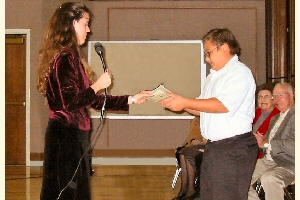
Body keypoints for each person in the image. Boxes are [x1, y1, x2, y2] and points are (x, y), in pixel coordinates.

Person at [37, 2, 150, 199]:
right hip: (65, 137)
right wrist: (97, 85)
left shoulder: (71, 56)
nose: (89, 30)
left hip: (74, 137)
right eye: (86, 23)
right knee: (65, 193)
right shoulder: (65, 57)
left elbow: (93, 101)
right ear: (71, 23)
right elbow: (70, 102)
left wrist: (131, 99)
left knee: (77, 192)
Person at [160, 28, 258, 200]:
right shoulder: (215, 76)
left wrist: (184, 101)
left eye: (209, 53)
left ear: (225, 47)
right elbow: (202, 108)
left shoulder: (239, 73)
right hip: (216, 148)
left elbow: (222, 105)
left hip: (233, 148)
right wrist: (178, 103)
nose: (206, 59)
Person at [248, 82, 295, 200]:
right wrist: (259, 142)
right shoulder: (275, 118)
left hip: (289, 162)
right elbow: (264, 143)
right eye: (275, 96)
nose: (276, 99)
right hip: (268, 160)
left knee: (269, 178)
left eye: (281, 95)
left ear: (292, 96)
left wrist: (267, 143)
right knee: (238, 175)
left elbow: (295, 145)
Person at [172, 116, 206, 200]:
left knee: (188, 153)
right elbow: (193, 139)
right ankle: (184, 189)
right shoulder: (197, 120)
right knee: (183, 152)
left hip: (208, 147)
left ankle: (190, 188)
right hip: (198, 145)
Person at [253, 82, 280, 158]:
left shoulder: (278, 115)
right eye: (260, 97)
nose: (263, 99)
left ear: (273, 99)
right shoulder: (255, 113)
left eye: (266, 96)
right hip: (250, 149)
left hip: (266, 154)